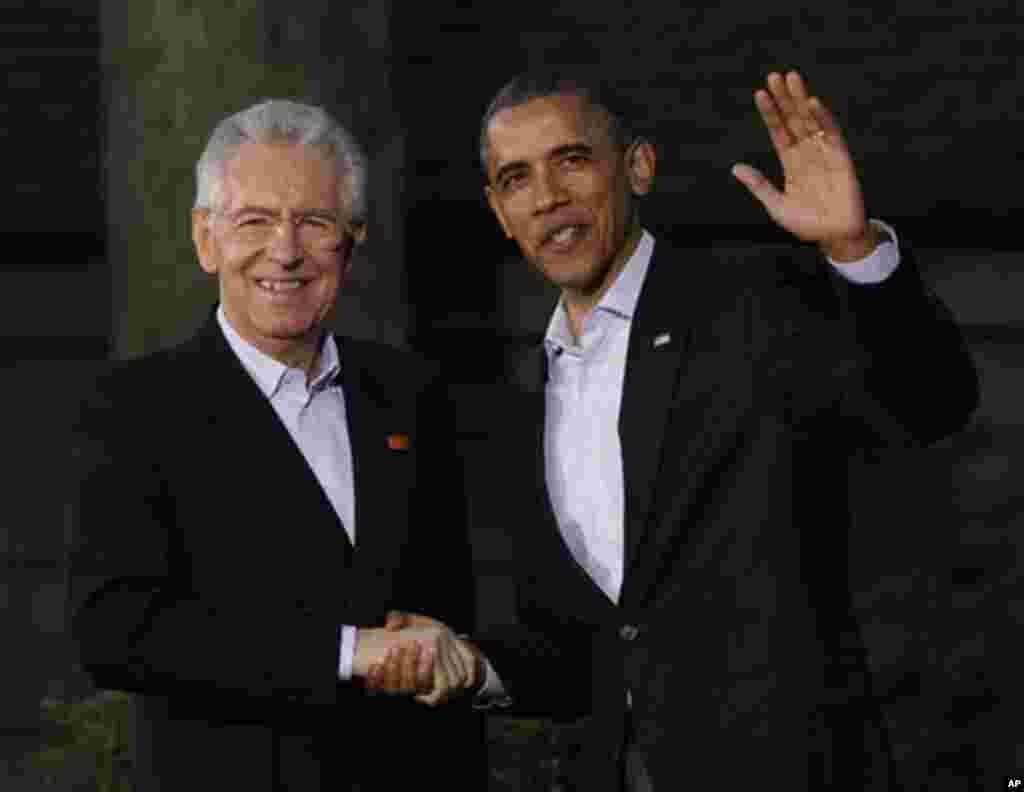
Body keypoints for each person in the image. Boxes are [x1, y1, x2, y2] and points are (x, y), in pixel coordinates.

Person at [369, 70, 979, 790]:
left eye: (572, 160)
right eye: (516, 178)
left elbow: (933, 403)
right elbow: (576, 653)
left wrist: (856, 253)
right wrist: (472, 663)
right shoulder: (524, 398)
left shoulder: (751, 309)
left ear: (639, 167)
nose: (548, 198)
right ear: (500, 212)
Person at [69, 99, 482, 792]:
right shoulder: (134, 409)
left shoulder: (411, 392)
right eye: (253, 220)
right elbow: (115, 631)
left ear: (351, 241)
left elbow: (445, 611)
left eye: (313, 222)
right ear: (206, 239)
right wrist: (349, 652)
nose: (284, 251)